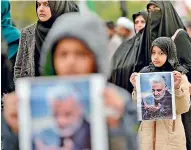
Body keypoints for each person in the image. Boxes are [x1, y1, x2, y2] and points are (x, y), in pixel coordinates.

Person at [39, 13, 138, 150]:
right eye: (63, 54)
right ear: (52, 59)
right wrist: (12, 128)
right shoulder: (37, 98)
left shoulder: (118, 99)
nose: (71, 62)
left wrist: (118, 124)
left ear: (96, 58)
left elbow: (132, 144)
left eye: (80, 54)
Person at [130, 37, 190, 150]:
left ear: (170, 54)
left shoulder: (179, 76)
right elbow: (137, 108)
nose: (156, 57)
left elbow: (183, 108)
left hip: (170, 136)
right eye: (153, 53)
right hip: (147, 136)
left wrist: (176, 87)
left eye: (161, 53)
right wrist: (137, 88)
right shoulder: (144, 74)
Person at [14, 0, 79, 79]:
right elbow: (18, 67)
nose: (41, 9)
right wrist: (21, 88)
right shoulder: (27, 33)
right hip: (34, 89)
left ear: (58, 6)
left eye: (46, 5)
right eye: (38, 5)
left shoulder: (70, 31)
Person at [110, 11, 148, 93]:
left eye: (143, 21)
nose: (139, 24)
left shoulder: (153, 42)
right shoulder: (127, 44)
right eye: (136, 22)